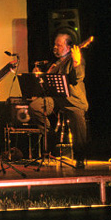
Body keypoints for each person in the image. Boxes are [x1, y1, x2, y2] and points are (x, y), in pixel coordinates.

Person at [29, 33, 89, 168]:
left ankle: (80, 157)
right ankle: (50, 136)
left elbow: (78, 78)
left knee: (78, 119)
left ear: (68, 47)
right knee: (35, 107)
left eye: (59, 45)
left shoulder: (76, 59)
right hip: (57, 99)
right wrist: (39, 75)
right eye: (55, 45)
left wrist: (76, 62)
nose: (55, 47)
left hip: (73, 100)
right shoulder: (56, 63)